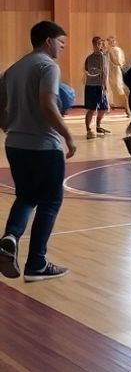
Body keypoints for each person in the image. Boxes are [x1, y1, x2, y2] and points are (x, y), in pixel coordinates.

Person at [0, 21, 77, 282]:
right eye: (61, 43)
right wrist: (68, 136)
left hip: (15, 144)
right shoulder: (48, 66)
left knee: (27, 196)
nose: (63, 48)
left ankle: (10, 237)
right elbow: (47, 104)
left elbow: (0, 105)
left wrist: (8, 125)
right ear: (48, 41)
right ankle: (37, 264)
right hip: (44, 146)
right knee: (51, 202)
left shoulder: (13, 69)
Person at [83, 36, 112, 139]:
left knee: (103, 108)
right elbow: (87, 70)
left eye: (101, 43)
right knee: (91, 109)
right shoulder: (90, 57)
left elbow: (106, 72)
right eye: (97, 43)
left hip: (100, 85)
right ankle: (88, 129)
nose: (99, 45)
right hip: (92, 85)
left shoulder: (104, 57)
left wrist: (105, 85)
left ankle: (98, 126)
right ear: (94, 44)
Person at [106, 34, 128, 117]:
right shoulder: (109, 50)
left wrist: (111, 55)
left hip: (115, 72)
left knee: (119, 89)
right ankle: (107, 107)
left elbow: (118, 61)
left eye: (112, 41)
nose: (110, 43)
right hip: (109, 72)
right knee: (108, 89)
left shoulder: (115, 50)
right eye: (109, 41)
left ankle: (127, 109)